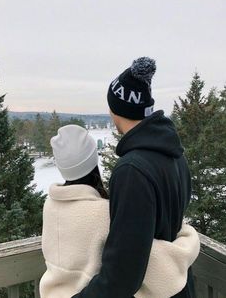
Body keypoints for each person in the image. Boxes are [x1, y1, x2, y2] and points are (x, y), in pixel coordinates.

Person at [71, 57, 197, 298]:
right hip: (179, 286)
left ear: (115, 109)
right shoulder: (174, 155)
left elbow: (122, 274)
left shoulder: (132, 171)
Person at [40, 124, 200, 298]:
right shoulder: (103, 214)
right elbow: (158, 263)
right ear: (93, 162)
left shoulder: (50, 206)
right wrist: (187, 236)